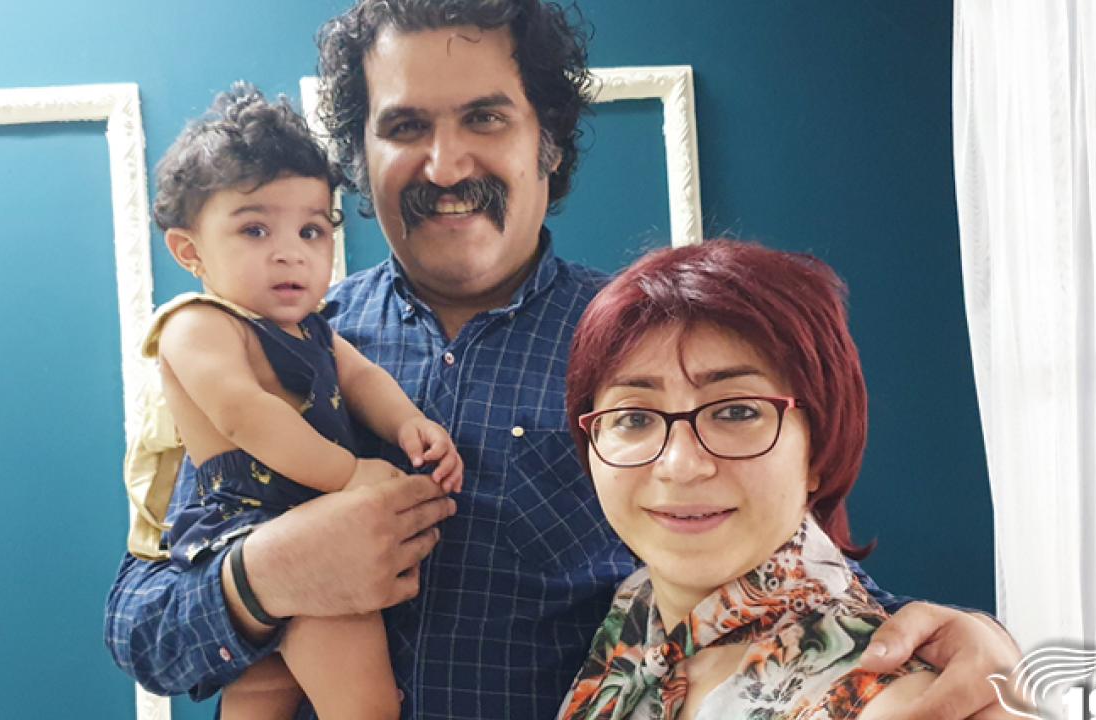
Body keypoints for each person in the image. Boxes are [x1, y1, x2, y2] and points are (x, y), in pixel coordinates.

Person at [106, 2, 1021, 717]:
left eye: (485, 117)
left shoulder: (640, 358)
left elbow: (774, 566)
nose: (444, 161)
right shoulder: (281, 350)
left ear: (548, 138)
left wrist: (950, 640)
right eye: (404, 127)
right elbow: (141, 627)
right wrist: (263, 579)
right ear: (362, 155)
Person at [139, 83, 462, 719]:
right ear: (189, 251)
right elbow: (244, 414)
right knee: (365, 702)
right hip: (260, 531)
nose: (290, 251)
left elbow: (365, 380)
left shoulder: (315, 326)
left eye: (312, 230)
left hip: (312, 524)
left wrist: (411, 425)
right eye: (255, 229)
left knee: (264, 690)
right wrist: (349, 475)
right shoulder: (197, 325)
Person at [558, 241, 936, 719]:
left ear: (818, 447)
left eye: (736, 411)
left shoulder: (893, 703)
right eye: (634, 418)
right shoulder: (637, 607)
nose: (680, 464)